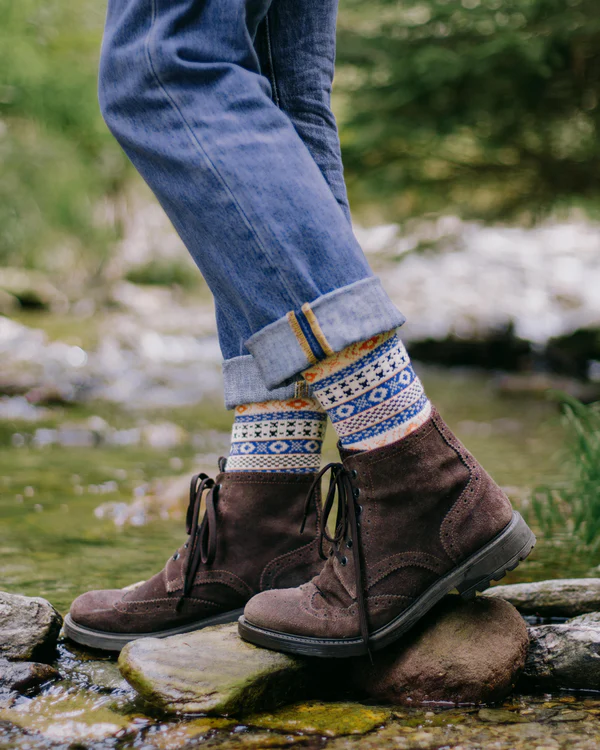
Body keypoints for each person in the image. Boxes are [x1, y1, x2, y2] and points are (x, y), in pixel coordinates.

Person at [64, 0, 535, 656]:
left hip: (418, 474)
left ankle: (416, 472)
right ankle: (267, 511)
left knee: (164, 64)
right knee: (282, 92)